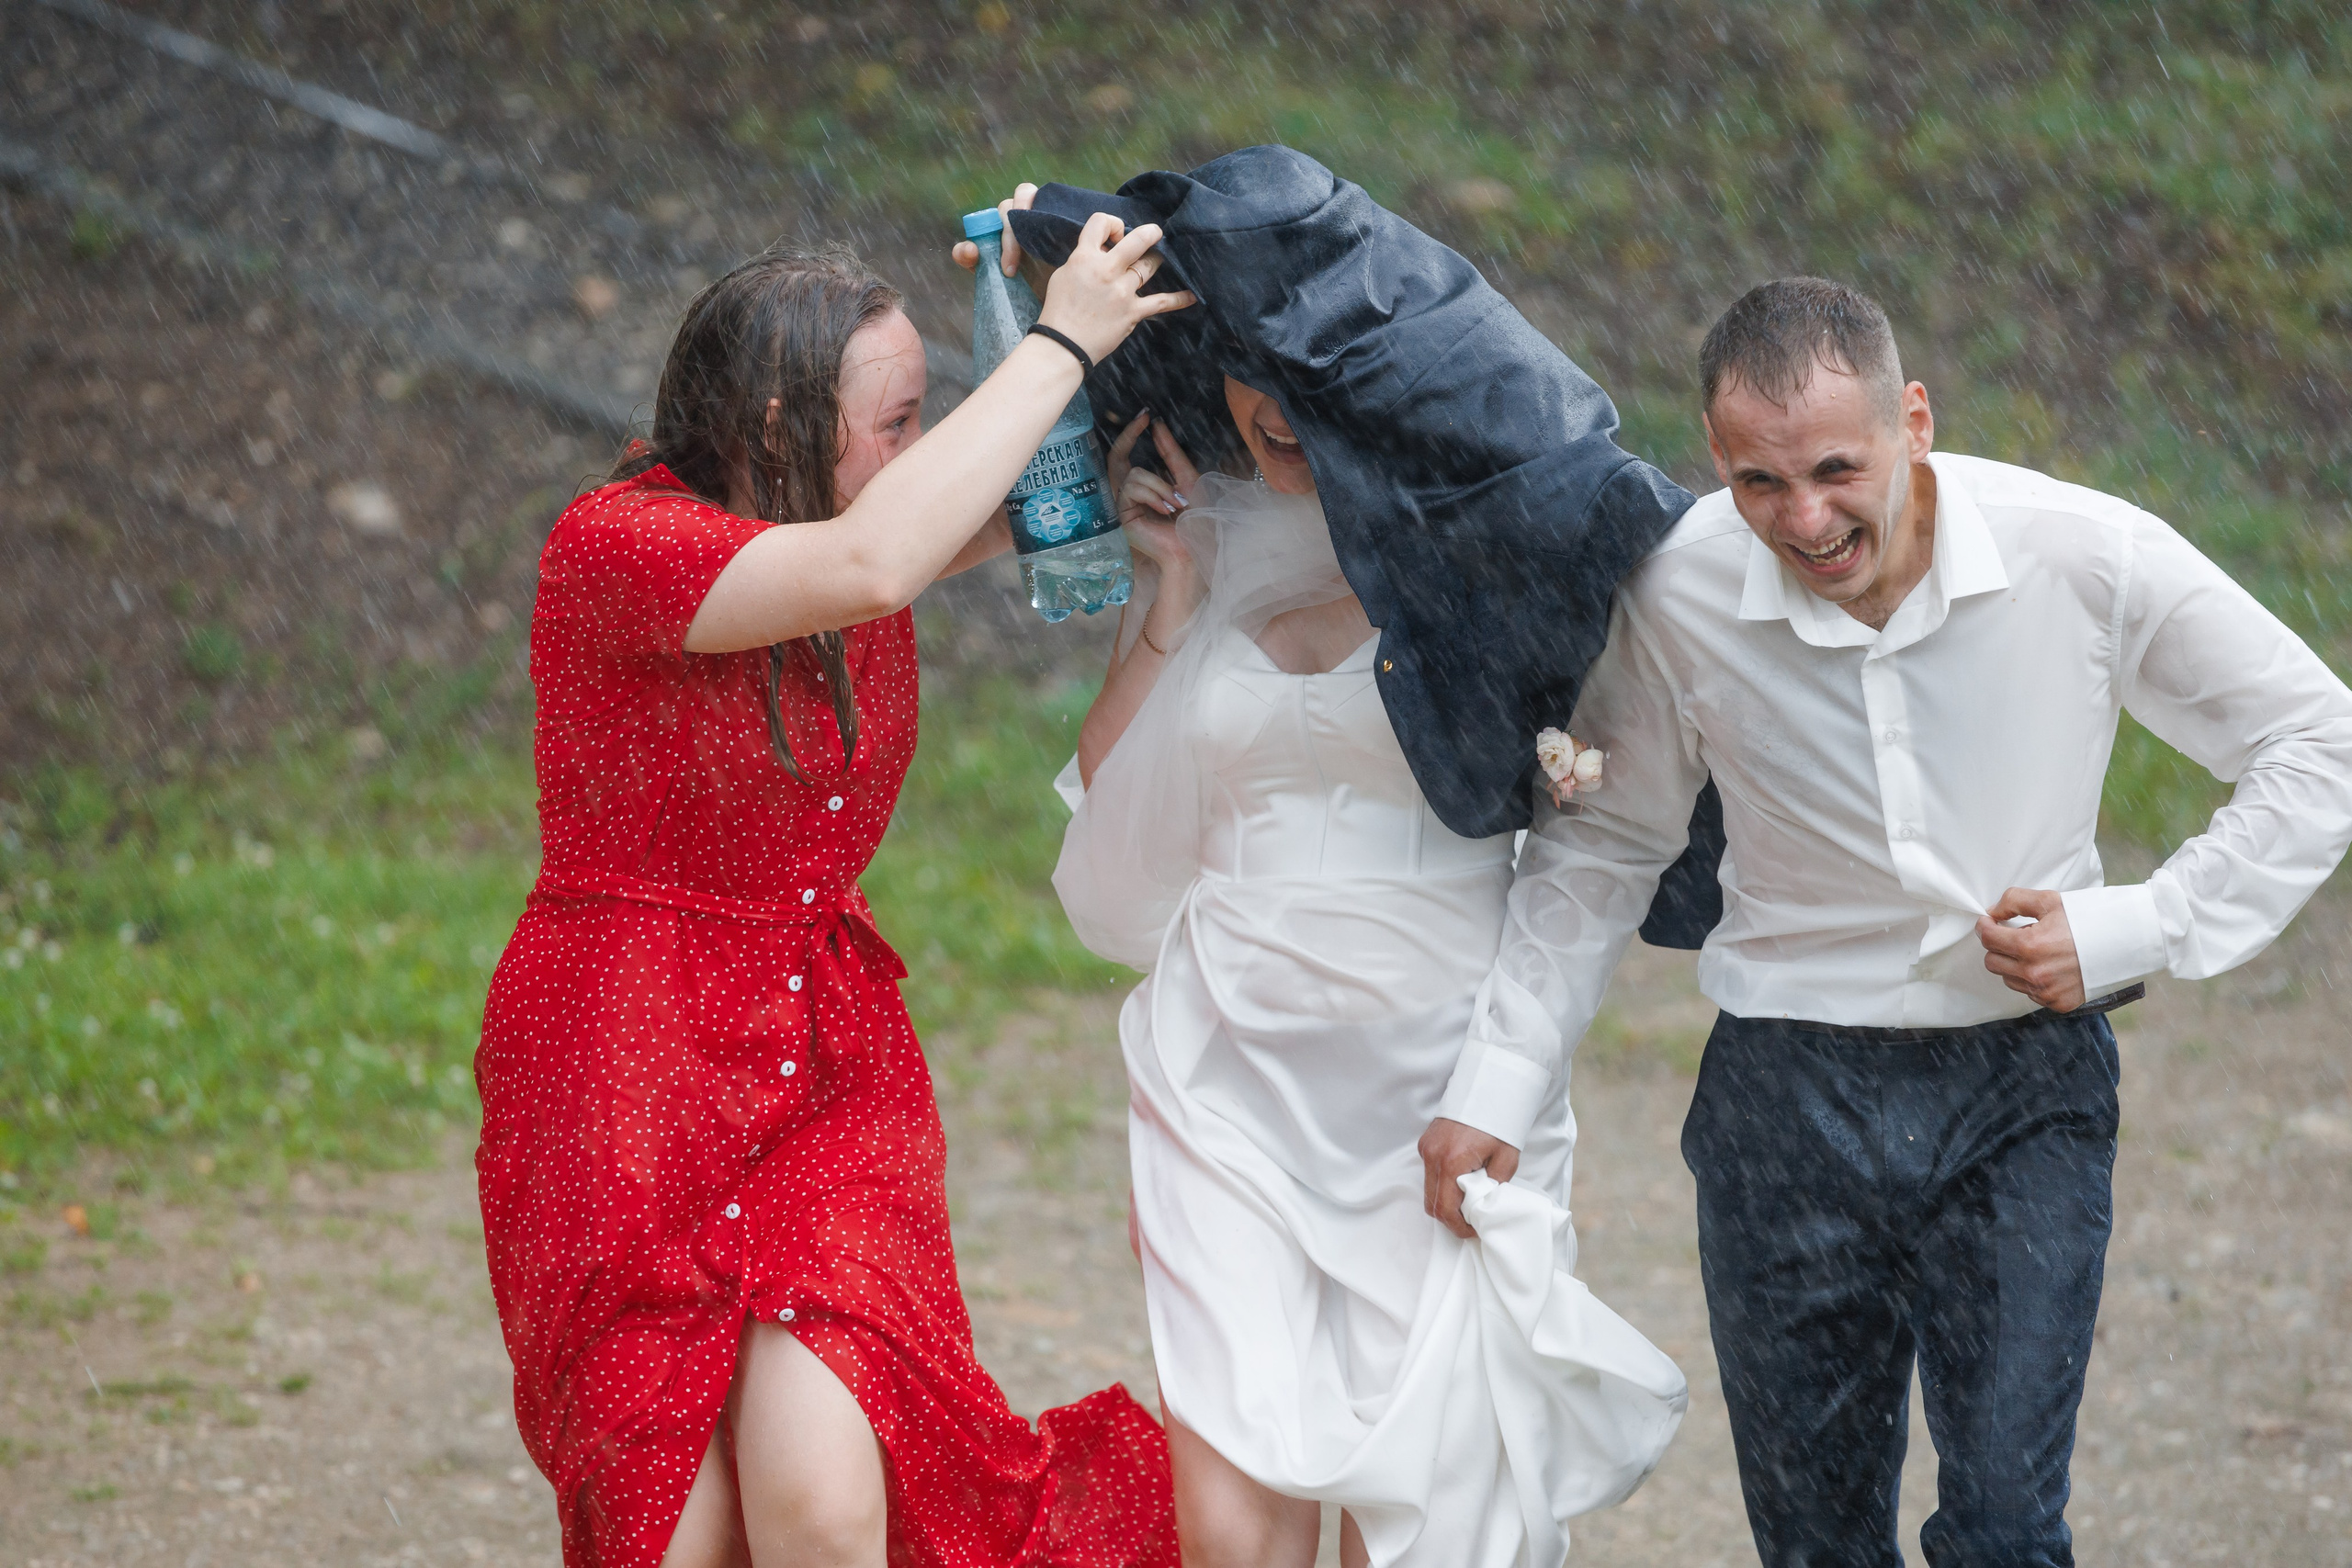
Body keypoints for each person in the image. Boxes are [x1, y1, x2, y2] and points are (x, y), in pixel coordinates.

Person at [1437, 276, 2352, 1566]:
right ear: (1715, 459)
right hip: (1782, 1098)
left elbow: (2319, 739)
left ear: (1913, 420)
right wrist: (1498, 1079)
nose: (1805, 520)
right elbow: (1606, 844)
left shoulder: (2082, 554)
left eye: (1835, 469)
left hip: (2022, 1091)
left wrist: (2141, 924)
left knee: (2005, 1534)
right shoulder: (1682, 587)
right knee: (1815, 1544)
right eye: (1760, 483)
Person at [473, 224, 1193, 1568]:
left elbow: (958, 520)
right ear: (773, 428)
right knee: (675, 1535)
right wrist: (1055, 343)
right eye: (898, 421)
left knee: (824, 1506)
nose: (920, 449)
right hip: (626, 1078)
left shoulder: (843, 524)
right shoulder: (616, 544)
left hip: (824, 1061)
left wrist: (1120, 450)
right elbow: (876, 564)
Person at [1046, 354, 1688, 1565]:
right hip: (1222, 1073)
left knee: (1436, 1522)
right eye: (1253, 377)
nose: (1278, 411)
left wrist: (1505, 1074)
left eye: (1310, 378)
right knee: (1231, 1532)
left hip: (1436, 1078)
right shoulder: (1219, 540)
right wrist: (1172, 589)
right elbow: (1116, 806)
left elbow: (1597, 828)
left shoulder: (1491, 558)